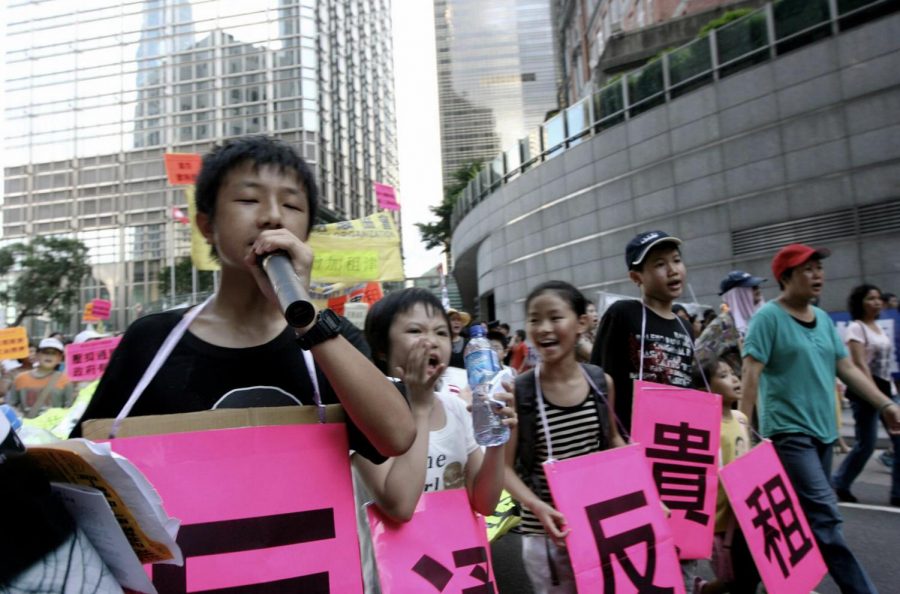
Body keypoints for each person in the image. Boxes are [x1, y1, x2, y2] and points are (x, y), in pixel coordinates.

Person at [72, 135, 415, 462]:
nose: (272, 216)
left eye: (292, 204)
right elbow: (83, 457)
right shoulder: (151, 340)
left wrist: (307, 320)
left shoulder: (333, 339)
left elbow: (396, 437)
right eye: (249, 200)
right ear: (207, 225)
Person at [740, 244, 900, 593]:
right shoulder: (768, 318)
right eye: (807, 269)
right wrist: (744, 433)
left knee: (798, 515)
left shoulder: (824, 319)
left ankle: (763, 579)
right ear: (786, 277)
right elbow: (751, 375)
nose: (818, 275)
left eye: (819, 269)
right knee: (825, 517)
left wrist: (885, 404)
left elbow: (846, 368)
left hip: (824, 433)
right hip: (788, 432)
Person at [352, 288, 515, 591]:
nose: (431, 340)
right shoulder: (365, 410)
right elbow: (400, 507)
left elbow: (485, 503)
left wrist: (497, 435)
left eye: (441, 332)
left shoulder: (454, 406)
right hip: (395, 579)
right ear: (382, 348)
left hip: (456, 569)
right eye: (415, 330)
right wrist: (421, 408)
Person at [506, 281, 624, 593]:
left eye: (555, 317)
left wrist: (644, 495)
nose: (544, 328)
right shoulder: (519, 391)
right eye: (534, 319)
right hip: (545, 534)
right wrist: (535, 507)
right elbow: (504, 470)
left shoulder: (601, 382)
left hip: (598, 523)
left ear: (581, 322)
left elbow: (613, 442)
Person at [590, 230, 694, 433]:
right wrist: (612, 436)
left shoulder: (685, 327)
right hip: (629, 437)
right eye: (660, 264)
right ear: (636, 277)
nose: (672, 270)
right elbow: (599, 379)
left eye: (676, 260)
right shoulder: (623, 314)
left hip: (674, 437)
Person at [692, 356, 761, 594]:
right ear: (705, 390)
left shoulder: (742, 419)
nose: (734, 379)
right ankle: (703, 590)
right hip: (720, 519)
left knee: (749, 574)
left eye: (733, 373)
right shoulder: (706, 426)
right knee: (731, 579)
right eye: (723, 376)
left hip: (746, 513)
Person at [832, 284, 899, 506]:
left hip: (886, 388)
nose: (877, 302)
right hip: (865, 392)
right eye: (871, 298)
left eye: (879, 298)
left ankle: (897, 492)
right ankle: (840, 482)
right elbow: (859, 364)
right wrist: (876, 396)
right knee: (866, 444)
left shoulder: (879, 328)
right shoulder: (856, 328)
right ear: (860, 302)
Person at [696, 270, 766, 372]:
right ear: (737, 294)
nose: (758, 289)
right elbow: (699, 361)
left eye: (757, 286)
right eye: (752, 287)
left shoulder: (759, 320)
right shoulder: (723, 325)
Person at [9, 338, 72, 419]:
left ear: (60, 358)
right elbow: (11, 406)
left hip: (54, 429)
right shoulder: (20, 378)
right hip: (26, 428)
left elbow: (69, 409)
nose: (49, 356)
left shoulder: (65, 380)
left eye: (54, 353)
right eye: (45, 352)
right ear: (37, 355)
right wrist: (19, 417)